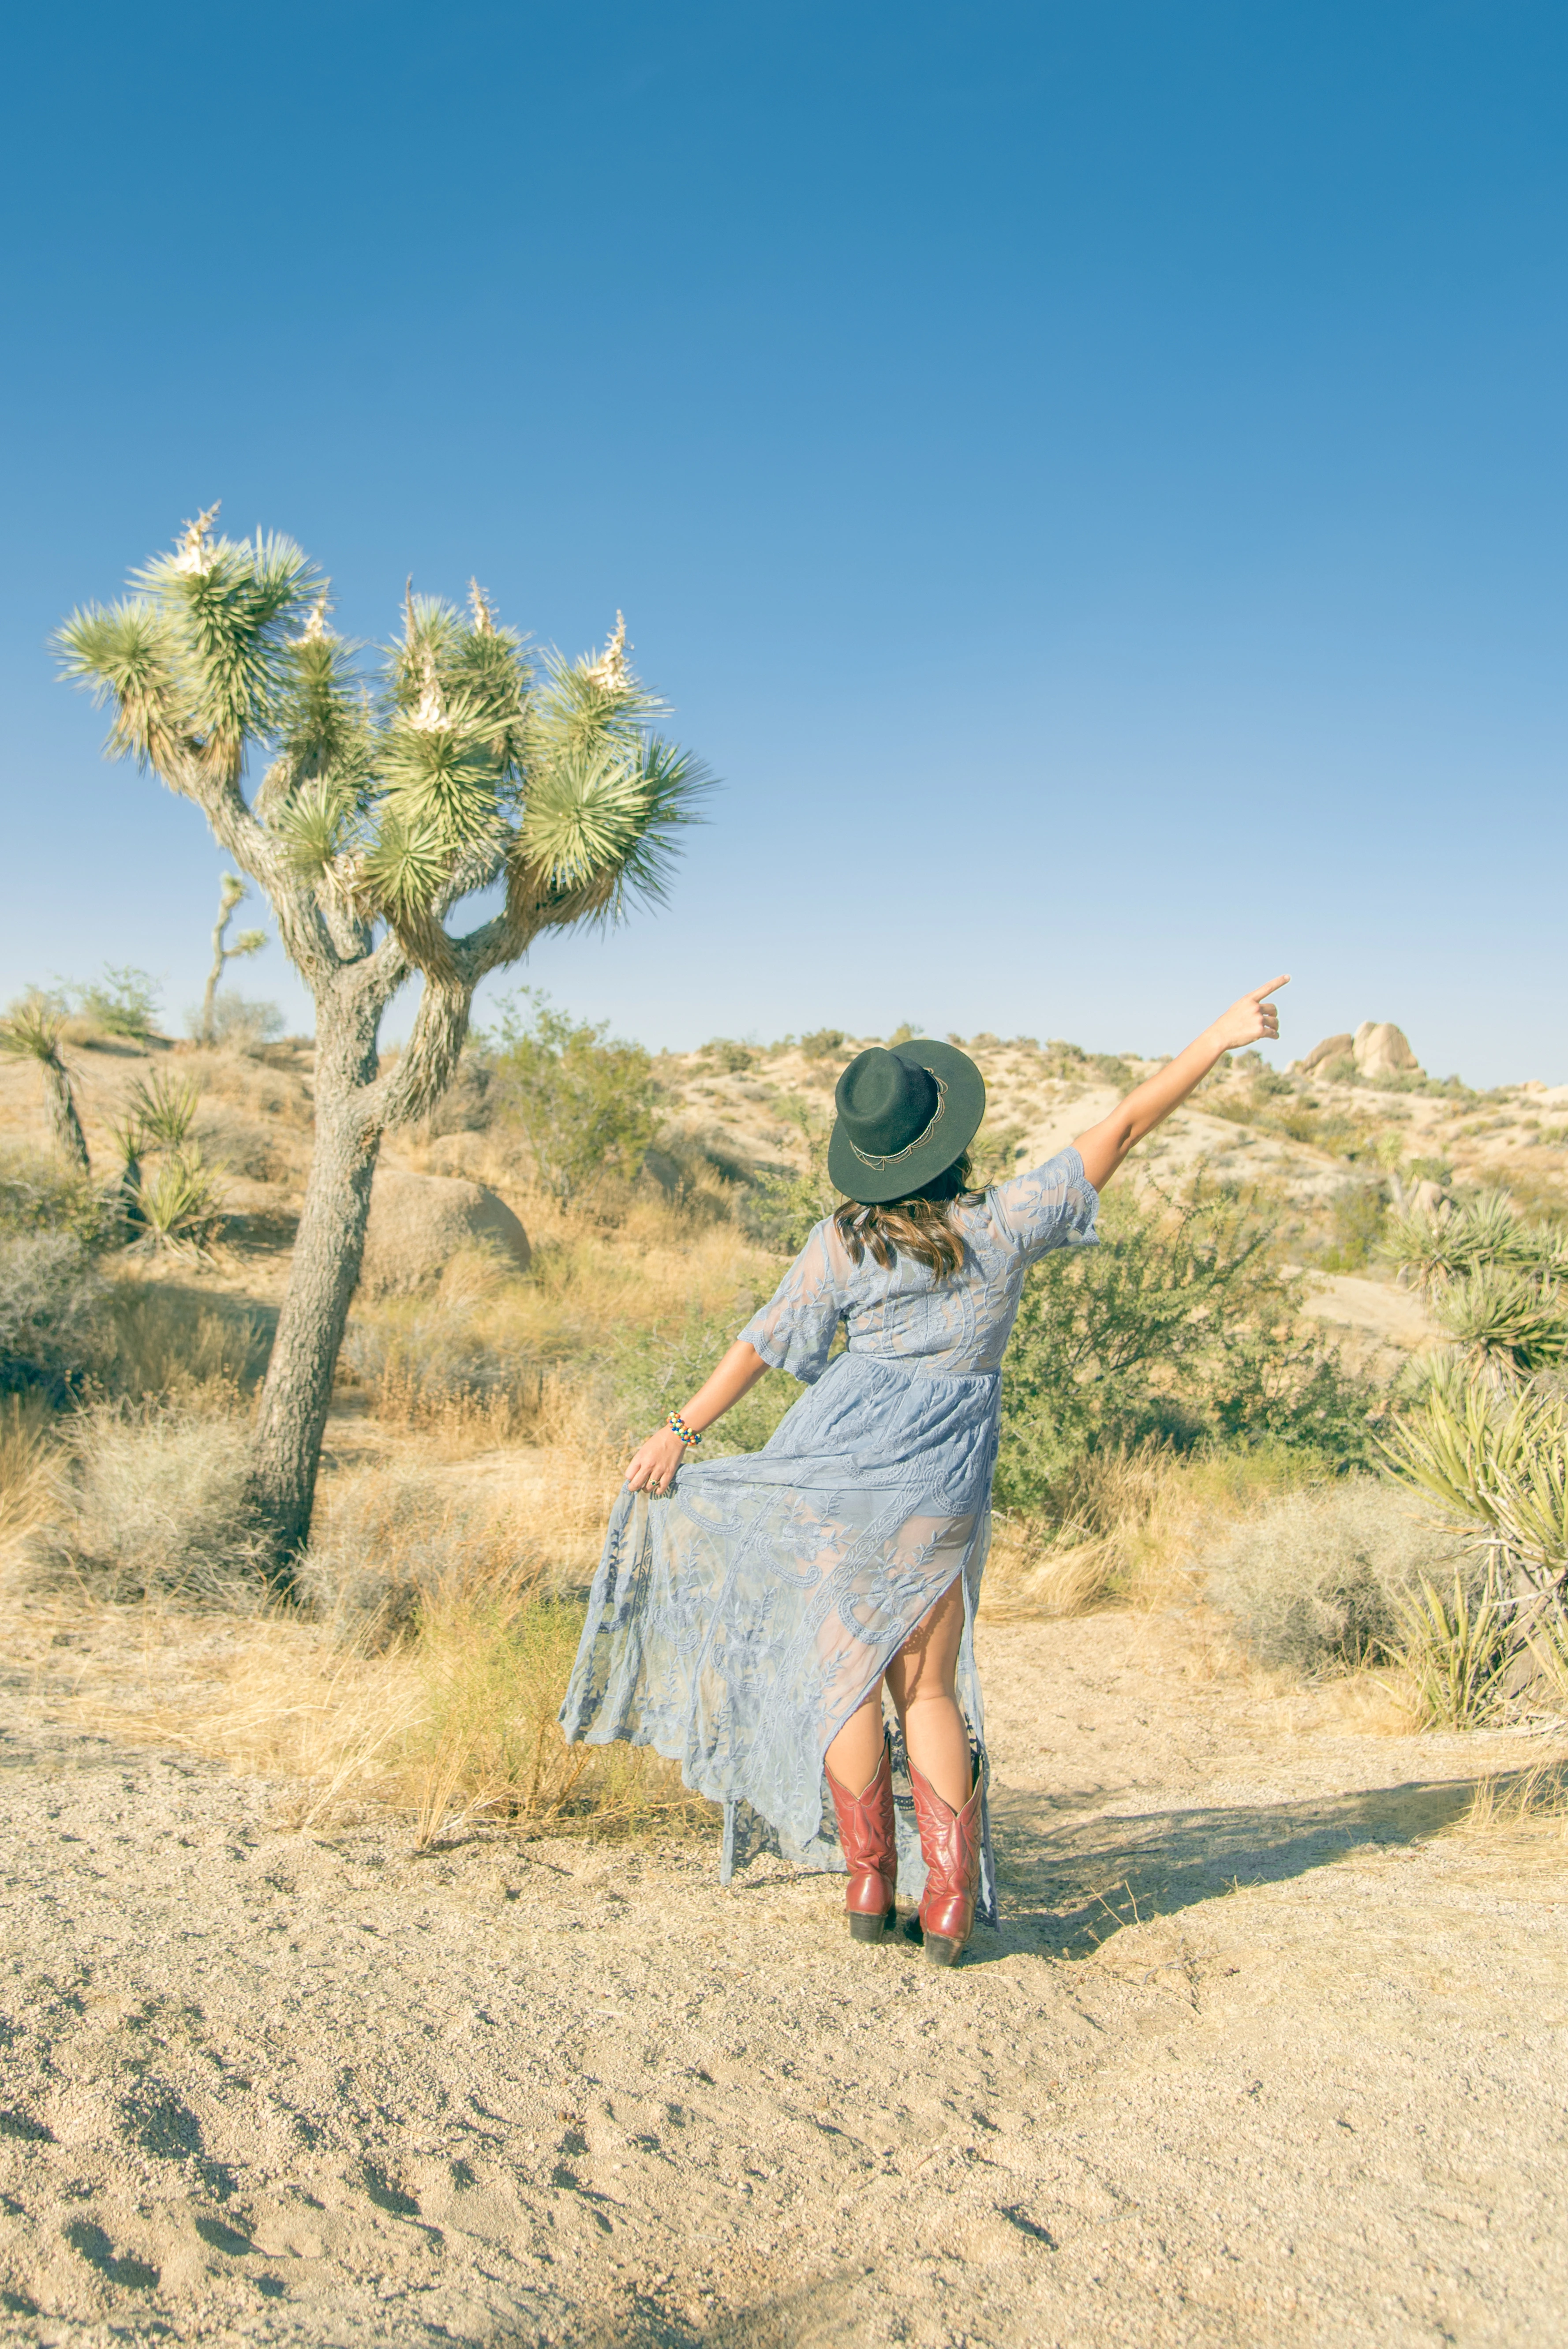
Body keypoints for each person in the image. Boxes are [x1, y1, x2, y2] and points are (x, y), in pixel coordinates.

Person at [561, 978, 1287, 1965]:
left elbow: (761, 1344)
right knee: (927, 1691)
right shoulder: (1003, 1225)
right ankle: (946, 1906)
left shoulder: (840, 1243)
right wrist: (1216, 1037)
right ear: (946, 1138)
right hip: (940, 1481)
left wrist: (678, 1431)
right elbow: (1122, 1128)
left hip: (836, 1464)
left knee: (843, 1677)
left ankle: (869, 1885)